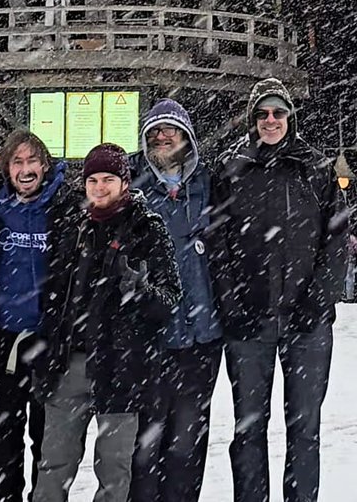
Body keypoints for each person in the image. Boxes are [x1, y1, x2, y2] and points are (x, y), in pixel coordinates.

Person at [209, 78, 348, 502]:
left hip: (306, 324)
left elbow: (337, 240)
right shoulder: (230, 170)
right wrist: (232, 303)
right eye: (263, 114)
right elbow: (216, 242)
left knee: (304, 428)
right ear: (252, 119)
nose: (271, 121)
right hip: (249, 323)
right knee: (248, 427)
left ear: (290, 116)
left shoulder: (317, 168)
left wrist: (318, 300)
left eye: (278, 113)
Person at [34, 144, 180, 502]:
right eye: (93, 180)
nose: (100, 187)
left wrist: (140, 289)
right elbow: (53, 296)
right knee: (54, 466)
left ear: (124, 183)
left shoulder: (148, 228)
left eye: (109, 179)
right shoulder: (73, 226)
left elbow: (170, 301)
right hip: (69, 363)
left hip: (121, 365)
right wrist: (47, 351)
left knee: (115, 471)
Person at [0, 129, 76, 502]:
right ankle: (5, 495)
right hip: (1, 336)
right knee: (3, 431)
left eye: (33, 160)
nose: (26, 168)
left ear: (45, 166)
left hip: (46, 335)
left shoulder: (65, 207)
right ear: (6, 169)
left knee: (45, 433)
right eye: (17, 161)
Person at [129, 99, 222, 502]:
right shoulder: (130, 186)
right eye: (155, 132)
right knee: (146, 442)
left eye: (171, 130)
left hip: (201, 333)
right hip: (152, 335)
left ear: (187, 137)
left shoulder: (210, 184)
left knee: (187, 440)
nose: (163, 138)